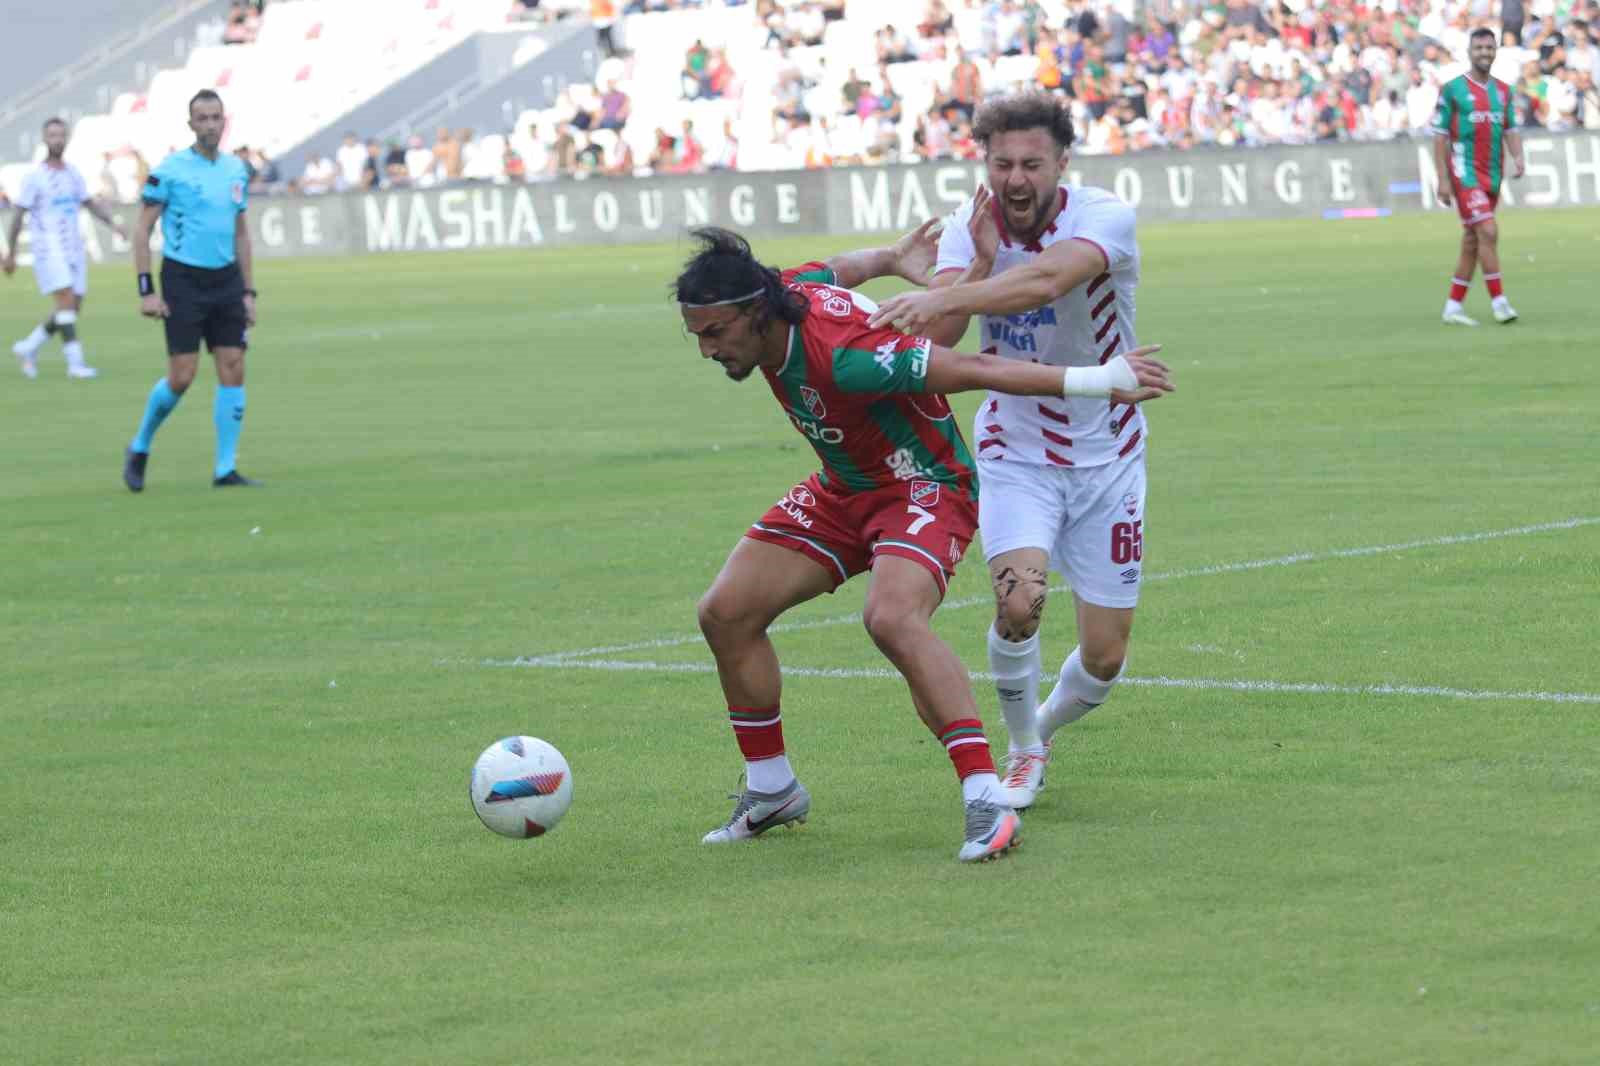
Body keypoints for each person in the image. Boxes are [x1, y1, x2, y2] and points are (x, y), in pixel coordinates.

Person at [674, 225, 1172, 862]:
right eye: (697, 335)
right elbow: (833, 270)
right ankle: (772, 789)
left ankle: (985, 796)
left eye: (714, 333)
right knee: (725, 612)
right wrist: (887, 258)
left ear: (754, 313)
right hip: (845, 486)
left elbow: (971, 368)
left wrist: (1097, 379)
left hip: (924, 488)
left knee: (891, 617)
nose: (707, 350)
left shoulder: (845, 356)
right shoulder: (786, 290)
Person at [867, 92, 1166, 812]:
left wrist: (943, 299)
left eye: (1032, 163)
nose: (1016, 178)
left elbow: (1050, 278)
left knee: (1104, 658)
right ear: (986, 164)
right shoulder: (968, 233)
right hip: (1016, 448)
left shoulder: (1103, 217)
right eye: (1002, 163)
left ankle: (1045, 726)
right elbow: (933, 347)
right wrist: (968, 274)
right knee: (1021, 602)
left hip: (1109, 453)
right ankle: (1022, 748)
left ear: (1063, 162)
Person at [123, 89, 258, 493]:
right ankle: (140, 445)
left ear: (224, 121)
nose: (210, 125)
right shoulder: (170, 171)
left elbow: (242, 234)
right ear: (191, 124)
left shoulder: (237, 170)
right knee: (182, 377)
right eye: (202, 118)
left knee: (233, 365)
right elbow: (142, 231)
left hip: (227, 280)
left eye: (216, 117)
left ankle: (225, 469)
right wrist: (147, 290)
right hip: (183, 279)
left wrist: (249, 292)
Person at [3, 118, 127, 380]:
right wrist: (11, 253)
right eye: (52, 135)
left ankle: (29, 347)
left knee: (71, 306)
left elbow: (90, 203)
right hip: (48, 249)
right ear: (44, 139)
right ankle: (75, 364)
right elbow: (17, 215)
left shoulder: (73, 174)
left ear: (67, 138)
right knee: (67, 300)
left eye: (61, 135)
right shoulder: (34, 178)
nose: (56, 140)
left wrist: (114, 224)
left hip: (73, 248)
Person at [1434, 27, 1526, 327]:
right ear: (1469, 52)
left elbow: (1510, 128)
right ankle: (1500, 303)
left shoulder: (1503, 91)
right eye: (1479, 48)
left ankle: (1452, 307)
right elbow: (1439, 137)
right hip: (1465, 174)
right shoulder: (1453, 90)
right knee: (1488, 230)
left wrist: (1518, 156)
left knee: (1473, 241)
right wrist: (1444, 179)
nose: (1485, 52)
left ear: (1495, 50)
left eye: (1489, 47)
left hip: (1493, 175)